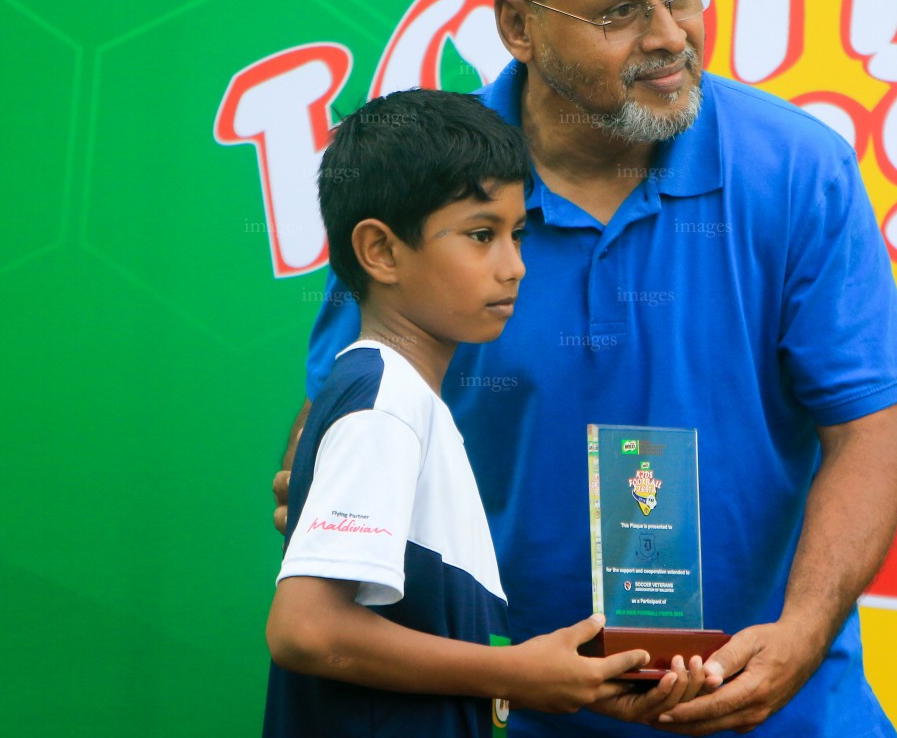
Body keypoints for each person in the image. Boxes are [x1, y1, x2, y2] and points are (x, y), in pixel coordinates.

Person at [276, 0, 897, 736]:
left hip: (783, 708)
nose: (669, 35)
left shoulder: (799, 171)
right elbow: (350, 404)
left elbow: (867, 430)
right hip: (518, 712)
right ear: (518, 26)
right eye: (620, 11)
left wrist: (800, 635)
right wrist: (328, 479)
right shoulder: (426, 181)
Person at [264, 88, 715, 738]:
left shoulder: (407, 403)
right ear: (381, 252)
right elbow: (306, 630)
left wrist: (556, 678)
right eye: (481, 236)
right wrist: (517, 674)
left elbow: (418, 650)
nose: (515, 267)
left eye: (517, 234)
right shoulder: (384, 405)